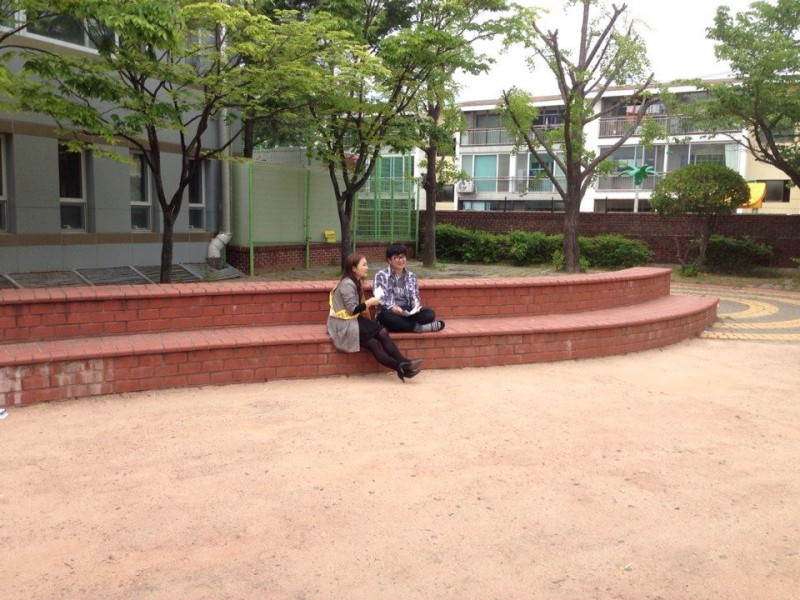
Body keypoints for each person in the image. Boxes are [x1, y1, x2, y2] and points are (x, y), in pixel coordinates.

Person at [327, 253, 423, 382]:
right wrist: (371, 302)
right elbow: (352, 310)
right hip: (344, 324)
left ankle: (402, 366)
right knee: (379, 334)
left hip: (351, 320)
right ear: (354, 268)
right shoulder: (348, 284)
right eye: (364, 265)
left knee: (375, 340)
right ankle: (403, 364)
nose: (367, 267)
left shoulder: (354, 281)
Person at [372, 242, 445, 334]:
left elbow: (415, 295)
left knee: (430, 313)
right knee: (385, 317)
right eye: (396, 257)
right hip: (390, 311)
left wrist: (415, 305)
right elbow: (379, 297)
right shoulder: (381, 275)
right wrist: (392, 307)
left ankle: (400, 325)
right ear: (389, 260)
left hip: (407, 311)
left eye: (403, 257)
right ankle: (419, 328)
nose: (401, 260)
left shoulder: (411, 276)